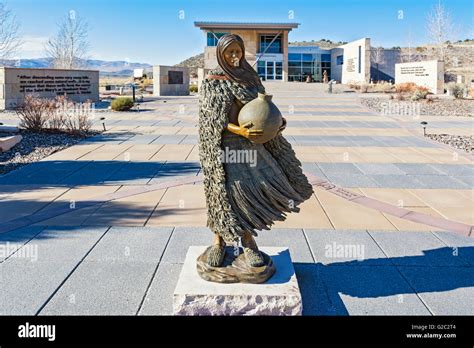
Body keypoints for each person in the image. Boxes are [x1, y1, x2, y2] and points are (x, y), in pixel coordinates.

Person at [198, 34, 313, 268]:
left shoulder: (250, 79)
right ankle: (219, 241)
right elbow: (212, 120)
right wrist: (240, 131)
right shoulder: (213, 80)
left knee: (254, 189)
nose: (234, 56)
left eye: (237, 51)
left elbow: (264, 108)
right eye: (229, 52)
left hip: (253, 145)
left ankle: (248, 242)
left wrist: (277, 122)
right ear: (221, 53)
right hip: (226, 147)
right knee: (225, 192)